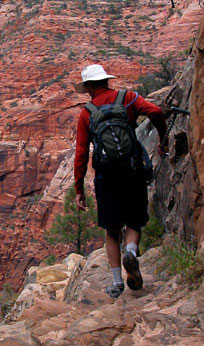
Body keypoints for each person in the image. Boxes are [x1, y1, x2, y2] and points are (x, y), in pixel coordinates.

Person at [73, 64, 167, 298]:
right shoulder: (128, 98)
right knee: (134, 222)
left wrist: (79, 189)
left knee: (112, 231)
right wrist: (162, 139)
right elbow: (155, 111)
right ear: (106, 80)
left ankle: (116, 282)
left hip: (106, 177)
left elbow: (81, 153)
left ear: (89, 86)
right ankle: (132, 253)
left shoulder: (87, 112)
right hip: (133, 170)